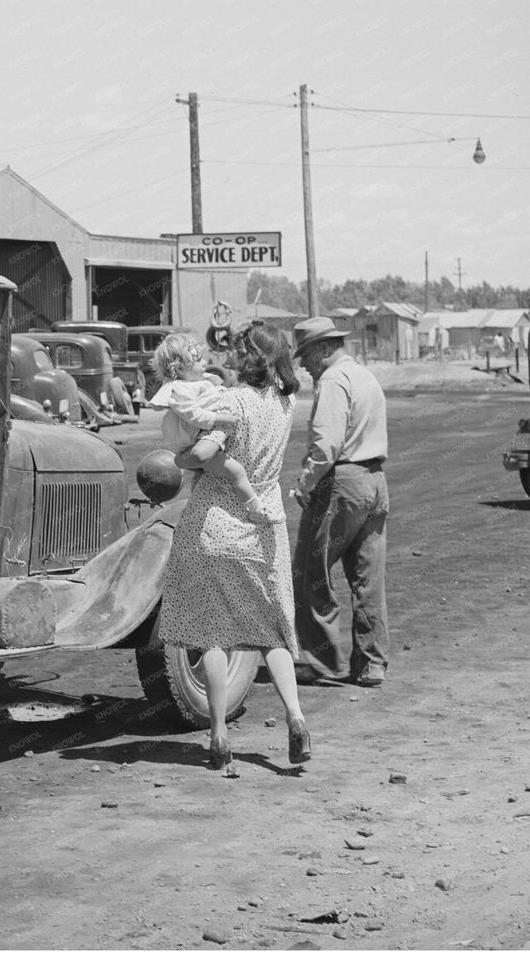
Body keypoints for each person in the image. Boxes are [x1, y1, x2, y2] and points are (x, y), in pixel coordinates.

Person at [156, 323, 310, 775]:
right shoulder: (286, 402)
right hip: (265, 525)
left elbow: (203, 454)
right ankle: (296, 717)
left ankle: (219, 734)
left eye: (238, 351)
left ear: (249, 357)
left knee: (212, 634)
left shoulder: (231, 401)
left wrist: (180, 459)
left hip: (216, 525)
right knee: (272, 630)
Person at [289, 316, 390, 688]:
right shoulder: (364, 375)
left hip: (342, 483)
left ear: (323, 348)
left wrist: (305, 484)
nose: (303, 364)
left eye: (305, 355)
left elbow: (327, 445)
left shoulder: (332, 380)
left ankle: (321, 661)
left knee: (308, 572)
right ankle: (371, 664)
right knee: (368, 578)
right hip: (374, 480)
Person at [149, 333, 271, 522]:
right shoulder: (179, 390)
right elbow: (195, 416)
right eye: (198, 360)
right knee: (237, 471)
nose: (204, 362)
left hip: (202, 440)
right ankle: (256, 507)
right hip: (195, 442)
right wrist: (223, 418)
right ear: (179, 367)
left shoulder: (196, 381)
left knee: (213, 477)